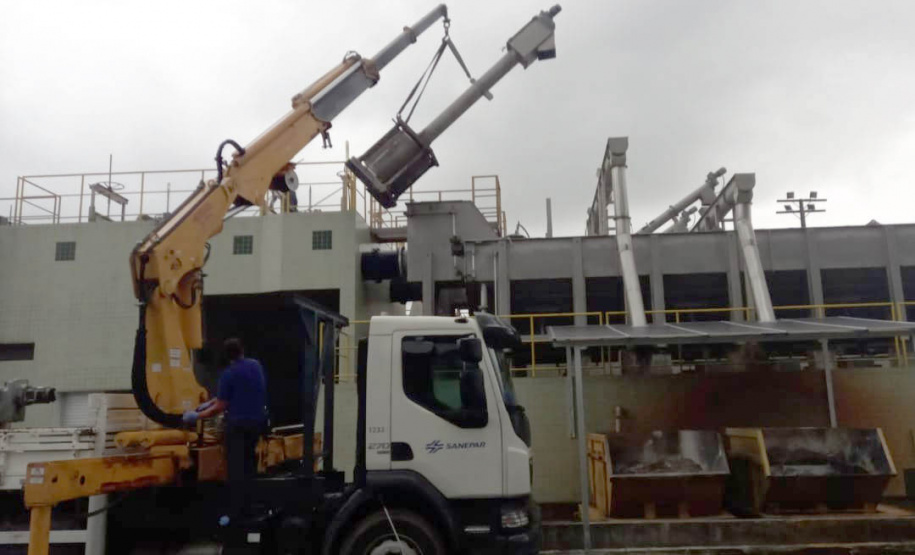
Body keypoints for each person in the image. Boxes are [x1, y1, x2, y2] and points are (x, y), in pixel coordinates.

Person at [183, 338, 268, 522]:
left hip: (238, 426)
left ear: (226, 355)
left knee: (236, 471)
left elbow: (220, 406)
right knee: (249, 466)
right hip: (256, 424)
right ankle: (250, 507)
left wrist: (197, 416)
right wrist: (210, 402)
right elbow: (236, 393)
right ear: (242, 350)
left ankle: (237, 512)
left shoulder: (228, 374)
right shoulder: (255, 365)